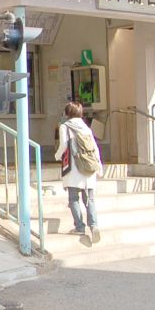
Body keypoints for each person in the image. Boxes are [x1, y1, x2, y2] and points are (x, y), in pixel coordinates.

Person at [54, 101, 103, 244]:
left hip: (74, 168)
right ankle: (94, 226)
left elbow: (63, 145)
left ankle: (80, 227)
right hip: (88, 168)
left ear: (67, 113)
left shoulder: (65, 127)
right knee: (90, 199)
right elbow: (95, 148)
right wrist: (99, 165)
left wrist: (57, 156)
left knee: (74, 198)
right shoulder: (86, 127)